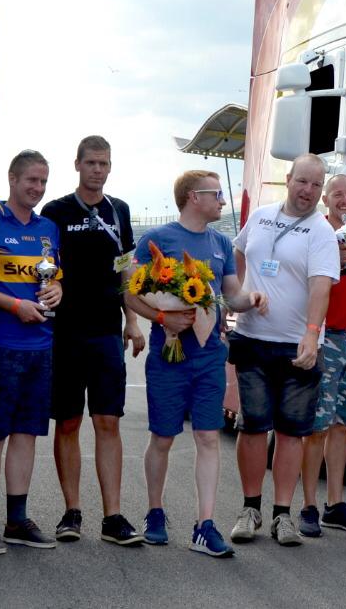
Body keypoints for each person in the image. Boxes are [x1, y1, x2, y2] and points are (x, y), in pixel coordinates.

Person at [126, 170, 267, 558]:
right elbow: (132, 291)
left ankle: (204, 525)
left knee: (208, 437)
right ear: (193, 197)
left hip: (209, 355)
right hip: (169, 354)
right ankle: (155, 513)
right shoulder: (158, 239)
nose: (223, 201)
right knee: (163, 437)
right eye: (216, 194)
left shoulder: (221, 242)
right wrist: (162, 318)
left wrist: (251, 299)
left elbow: (231, 295)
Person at [228, 154, 340, 547]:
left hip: (298, 347)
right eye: (302, 181)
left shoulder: (321, 231)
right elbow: (238, 255)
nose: (308, 190)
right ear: (288, 179)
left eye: (316, 185)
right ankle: (250, 509)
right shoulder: (260, 217)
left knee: (291, 433)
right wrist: (237, 297)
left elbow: (322, 286)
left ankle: (282, 515)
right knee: (253, 426)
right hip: (253, 339)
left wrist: (311, 333)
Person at [41, 136, 145, 546]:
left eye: (104, 163)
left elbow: (125, 270)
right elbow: (44, 265)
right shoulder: (56, 211)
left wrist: (132, 320)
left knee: (107, 421)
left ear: (110, 167)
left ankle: (113, 517)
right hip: (65, 332)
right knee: (68, 422)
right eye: (91, 163)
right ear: (77, 165)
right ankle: (71, 512)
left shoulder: (119, 211)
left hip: (105, 332)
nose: (97, 170)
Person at [0, 150, 64, 554]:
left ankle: (17, 519)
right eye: (31, 180)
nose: (38, 188)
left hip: (41, 345)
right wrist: (14, 306)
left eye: (43, 181)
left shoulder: (48, 228)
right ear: (12, 178)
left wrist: (58, 290)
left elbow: (54, 277)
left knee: (26, 434)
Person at [298, 174, 346, 537]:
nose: (345, 199)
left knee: (342, 426)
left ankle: (335, 504)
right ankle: (309, 505)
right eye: (337, 193)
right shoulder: (313, 234)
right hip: (325, 338)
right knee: (317, 426)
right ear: (325, 199)